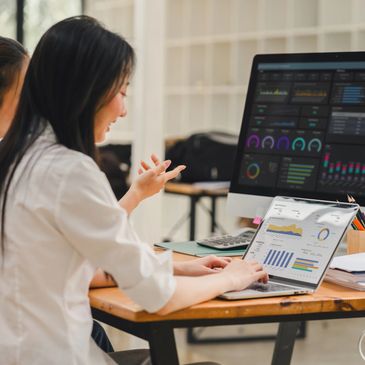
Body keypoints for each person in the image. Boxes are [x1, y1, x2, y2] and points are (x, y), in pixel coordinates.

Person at [0, 16, 268, 365]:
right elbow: (158, 297)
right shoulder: (69, 171)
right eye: (122, 92)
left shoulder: (16, 159)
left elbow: (69, 257)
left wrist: (171, 266)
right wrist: (231, 279)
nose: (124, 110)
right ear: (89, 92)